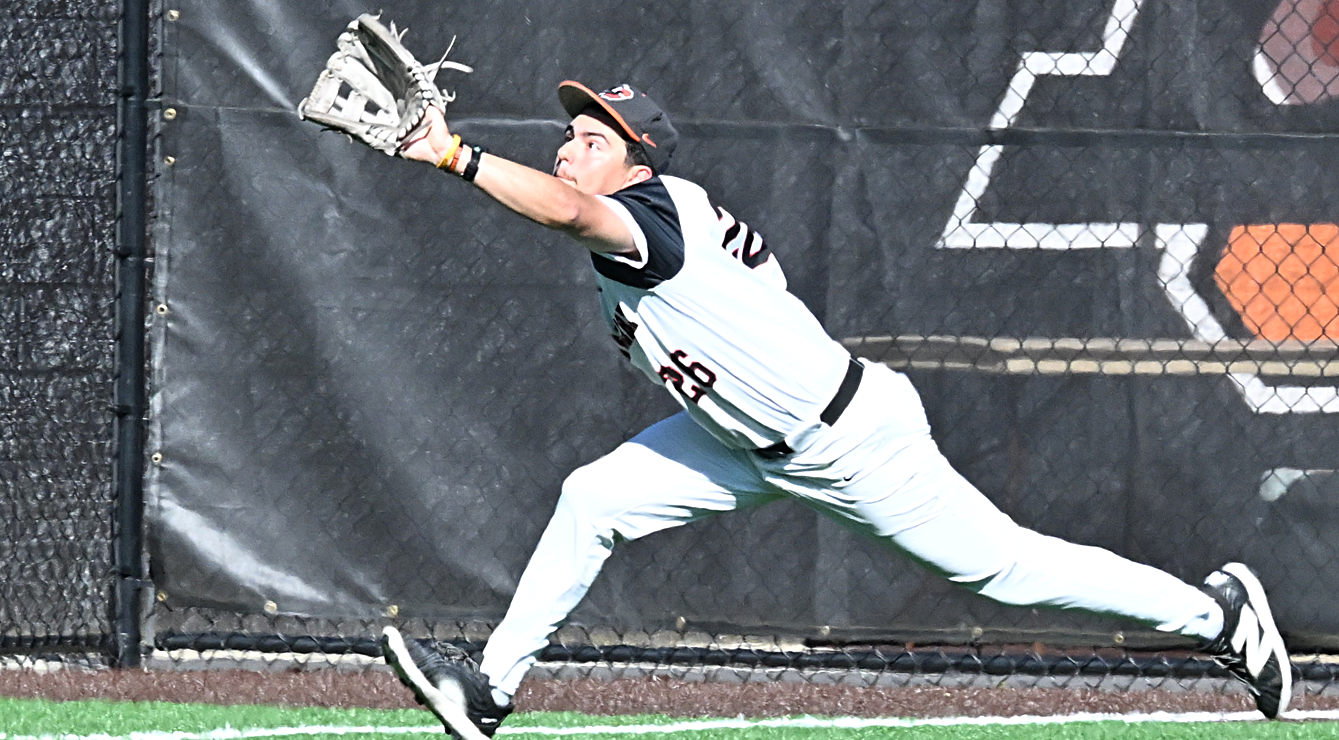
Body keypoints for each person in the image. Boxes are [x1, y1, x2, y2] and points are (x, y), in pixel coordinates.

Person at [378, 82, 1292, 738]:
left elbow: (572, 214)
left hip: (849, 443)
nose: (570, 148)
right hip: (743, 441)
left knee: (1006, 571)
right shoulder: (655, 222)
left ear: (637, 159)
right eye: (570, 134)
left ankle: (1219, 618)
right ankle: (488, 692)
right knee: (594, 498)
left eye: (593, 139)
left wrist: (455, 154)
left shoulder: (648, 218)